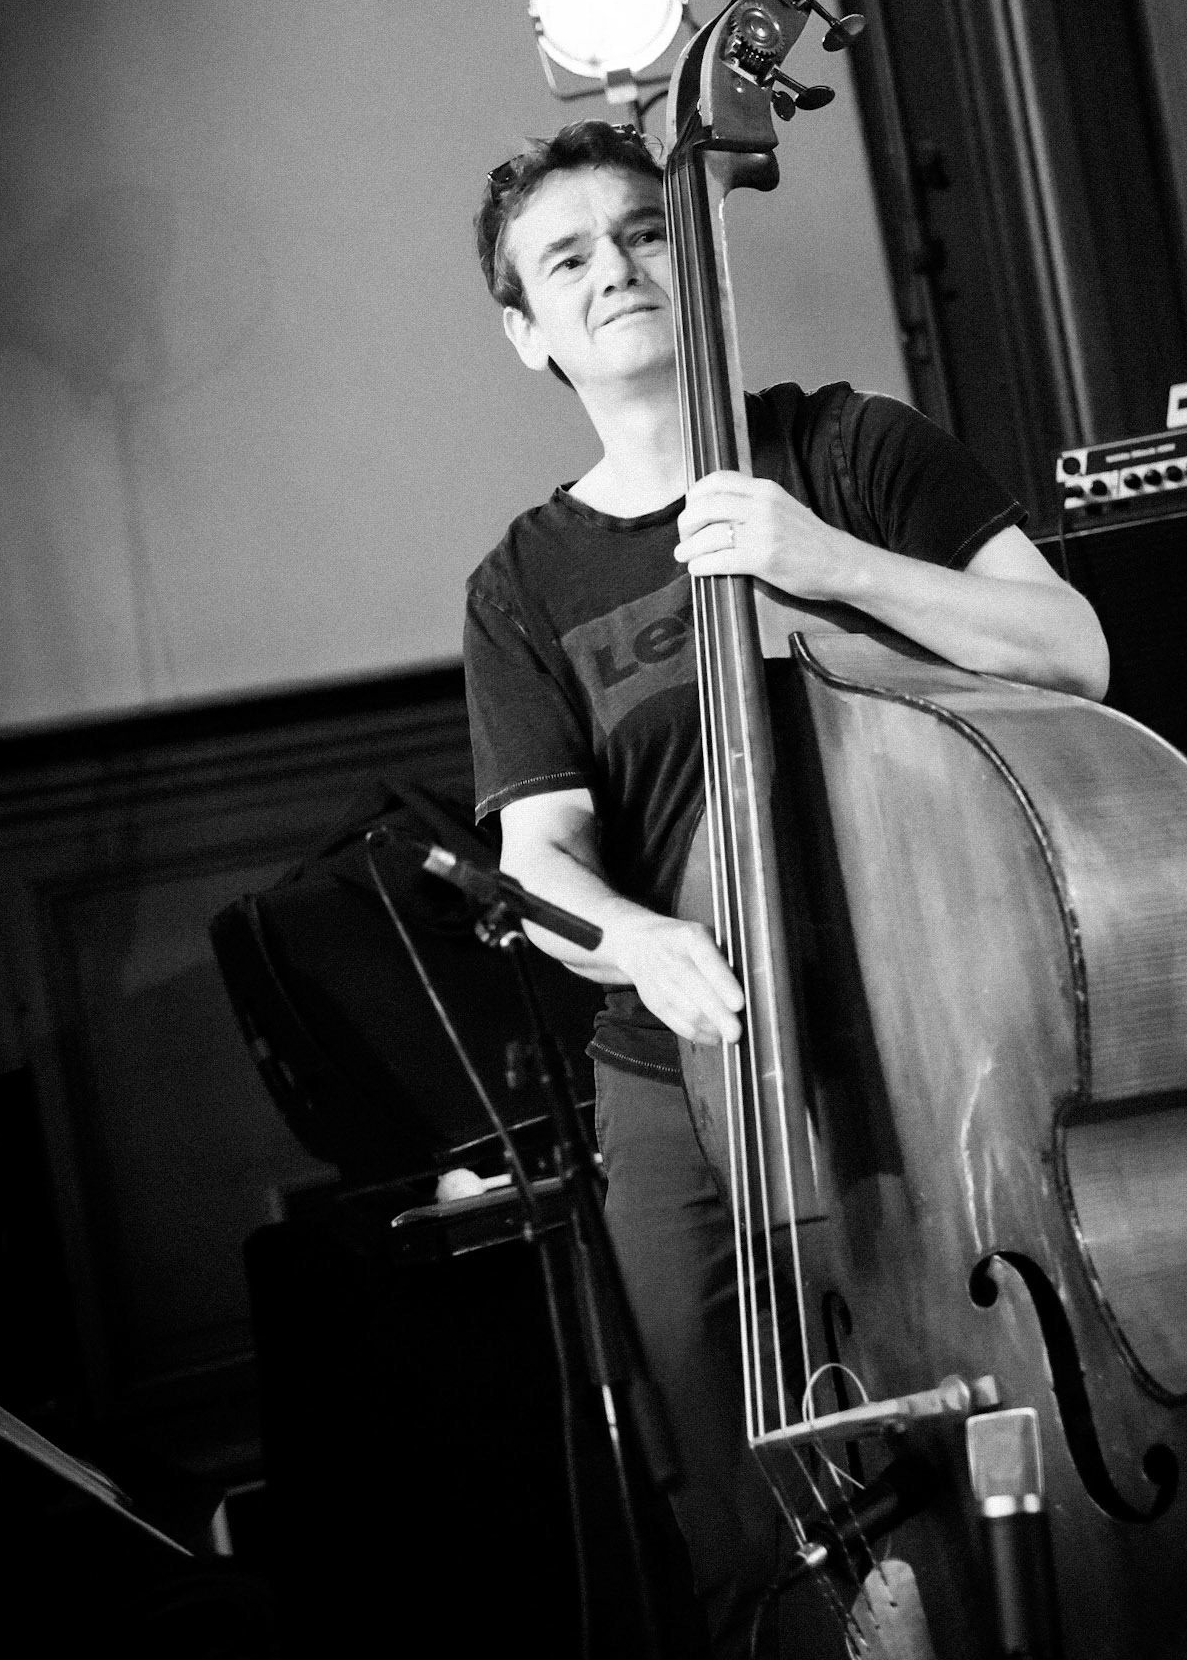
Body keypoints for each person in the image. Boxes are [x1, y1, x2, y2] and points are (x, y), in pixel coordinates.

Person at [462, 118, 1109, 1655]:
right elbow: (538, 854)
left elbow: (1071, 649)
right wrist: (638, 940)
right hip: (680, 1068)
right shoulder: (523, 581)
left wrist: (834, 563)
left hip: (934, 1011)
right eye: (568, 258)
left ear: (691, 250)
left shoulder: (849, 449)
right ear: (523, 331)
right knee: (740, 1490)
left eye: (639, 231)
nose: (615, 269)